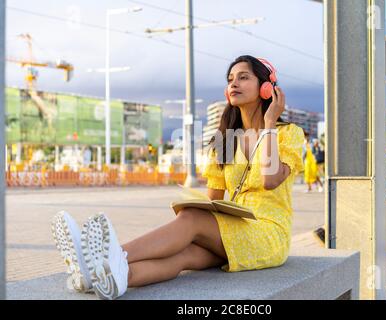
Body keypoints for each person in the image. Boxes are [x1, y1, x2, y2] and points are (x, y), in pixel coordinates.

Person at [51, 55, 305, 300]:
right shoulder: (226, 139)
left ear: (265, 88)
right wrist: (201, 211)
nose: (234, 83)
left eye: (243, 77)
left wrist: (270, 122)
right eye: (230, 79)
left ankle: (108, 258)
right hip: (237, 230)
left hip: (268, 233)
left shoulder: (287, 133)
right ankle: (106, 278)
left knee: (192, 219)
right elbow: (214, 201)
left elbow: (270, 180)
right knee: (184, 255)